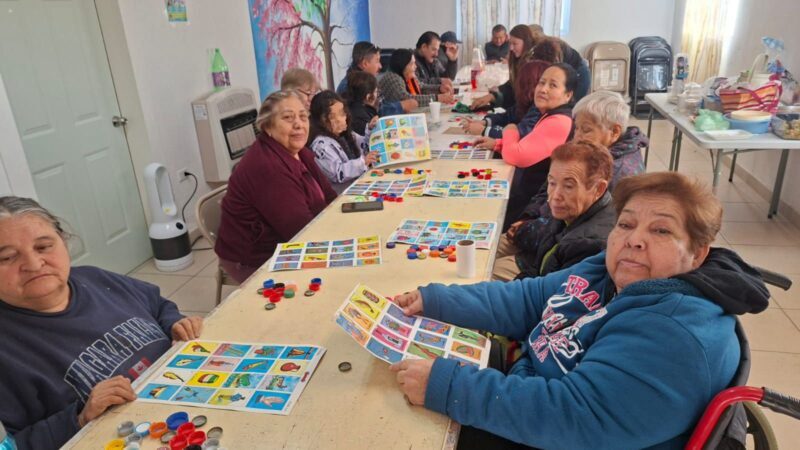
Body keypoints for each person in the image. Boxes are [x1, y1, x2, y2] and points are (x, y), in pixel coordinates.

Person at [390, 171, 769, 449]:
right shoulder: (611, 270)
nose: (634, 240)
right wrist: (435, 300)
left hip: (559, 429)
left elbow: (572, 416)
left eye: (661, 231)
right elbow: (529, 299)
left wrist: (448, 387)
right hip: (530, 390)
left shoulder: (677, 332)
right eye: (626, 224)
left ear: (697, 254)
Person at [0, 196, 204, 450]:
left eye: (43, 247)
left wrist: (174, 323)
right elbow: (16, 444)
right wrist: (80, 416)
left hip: (189, 396)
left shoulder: (94, 277)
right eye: (7, 257)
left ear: (63, 242)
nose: (33, 264)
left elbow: (158, 305)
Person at [215, 90, 337, 283]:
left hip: (292, 239)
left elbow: (330, 198)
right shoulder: (267, 166)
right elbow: (300, 231)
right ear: (267, 127)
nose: (298, 124)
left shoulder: (300, 152)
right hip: (255, 259)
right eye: (288, 117)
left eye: (303, 117)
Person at [492, 141, 616, 281]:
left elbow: (550, 291)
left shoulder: (590, 245)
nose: (555, 195)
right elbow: (539, 267)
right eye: (552, 183)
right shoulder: (569, 212)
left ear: (598, 189)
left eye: (568, 186)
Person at [476, 63, 577, 227]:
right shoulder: (551, 114)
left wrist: (511, 129)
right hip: (529, 194)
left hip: (534, 205)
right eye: (541, 83)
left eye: (553, 85)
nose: (543, 89)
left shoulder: (559, 121)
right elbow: (532, 145)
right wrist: (498, 144)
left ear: (568, 95)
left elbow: (515, 155)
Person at [572, 91, 646, 191]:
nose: (576, 137)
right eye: (576, 128)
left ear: (614, 132)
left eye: (586, 130)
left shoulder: (614, 172)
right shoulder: (625, 147)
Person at [308, 90, 378, 194]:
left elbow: (363, 145)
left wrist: (370, 129)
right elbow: (338, 173)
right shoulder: (321, 145)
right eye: (332, 116)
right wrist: (363, 162)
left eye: (342, 113)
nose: (342, 118)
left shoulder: (345, 134)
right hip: (342, 196)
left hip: (358, 188)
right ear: (322, 120)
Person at [335, 41, 414, 115]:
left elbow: (380, 105)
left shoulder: (366, 81)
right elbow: (373, 112)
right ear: (365, 63)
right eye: (377, 61)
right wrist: (401, 106)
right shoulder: (350, 86)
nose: (380, 66)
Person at [470, 24, 536, 111]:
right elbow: (512, 84)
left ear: (526, 43)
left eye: (515, 44)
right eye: (510, 43)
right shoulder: (516, 59)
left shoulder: (532, 66)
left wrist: (494, 97)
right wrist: (493, 95)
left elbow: (518, 100)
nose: (511, 48)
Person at [378, 49, 455, 108]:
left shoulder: (407, 76)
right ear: (403, 65)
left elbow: (421, 87)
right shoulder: (393, 78)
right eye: (412, 64)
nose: (415, 66)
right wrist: (437, 98)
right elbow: (407, 99)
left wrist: (439, 89)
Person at [530, 29, 591, 102]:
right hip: (572, 66)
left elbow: (556, 69)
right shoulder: (541, 47)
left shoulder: (552, 46)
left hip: (579, 72)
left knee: (573, 102)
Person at [344, 71, 379, 137]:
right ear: (368, 96)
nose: (377, 95)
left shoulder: (347, 107)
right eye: (376, 92)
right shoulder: (363, 117)